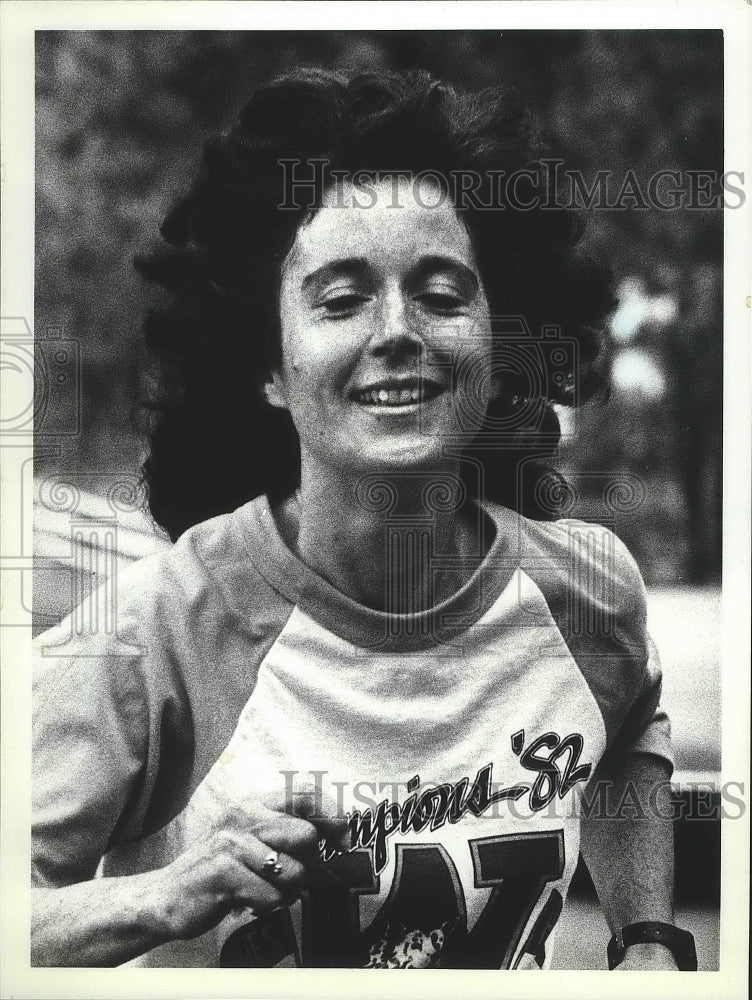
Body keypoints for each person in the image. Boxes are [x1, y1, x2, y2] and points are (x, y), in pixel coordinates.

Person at [31, 68, 696, 971]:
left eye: (441, 292)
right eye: (341, 299)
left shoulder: (587, 593)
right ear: (267, 366)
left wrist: (650, 935)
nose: (398, 331)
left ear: (502, 348)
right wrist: (170, 893)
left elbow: (628, 734)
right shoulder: (155, 635)